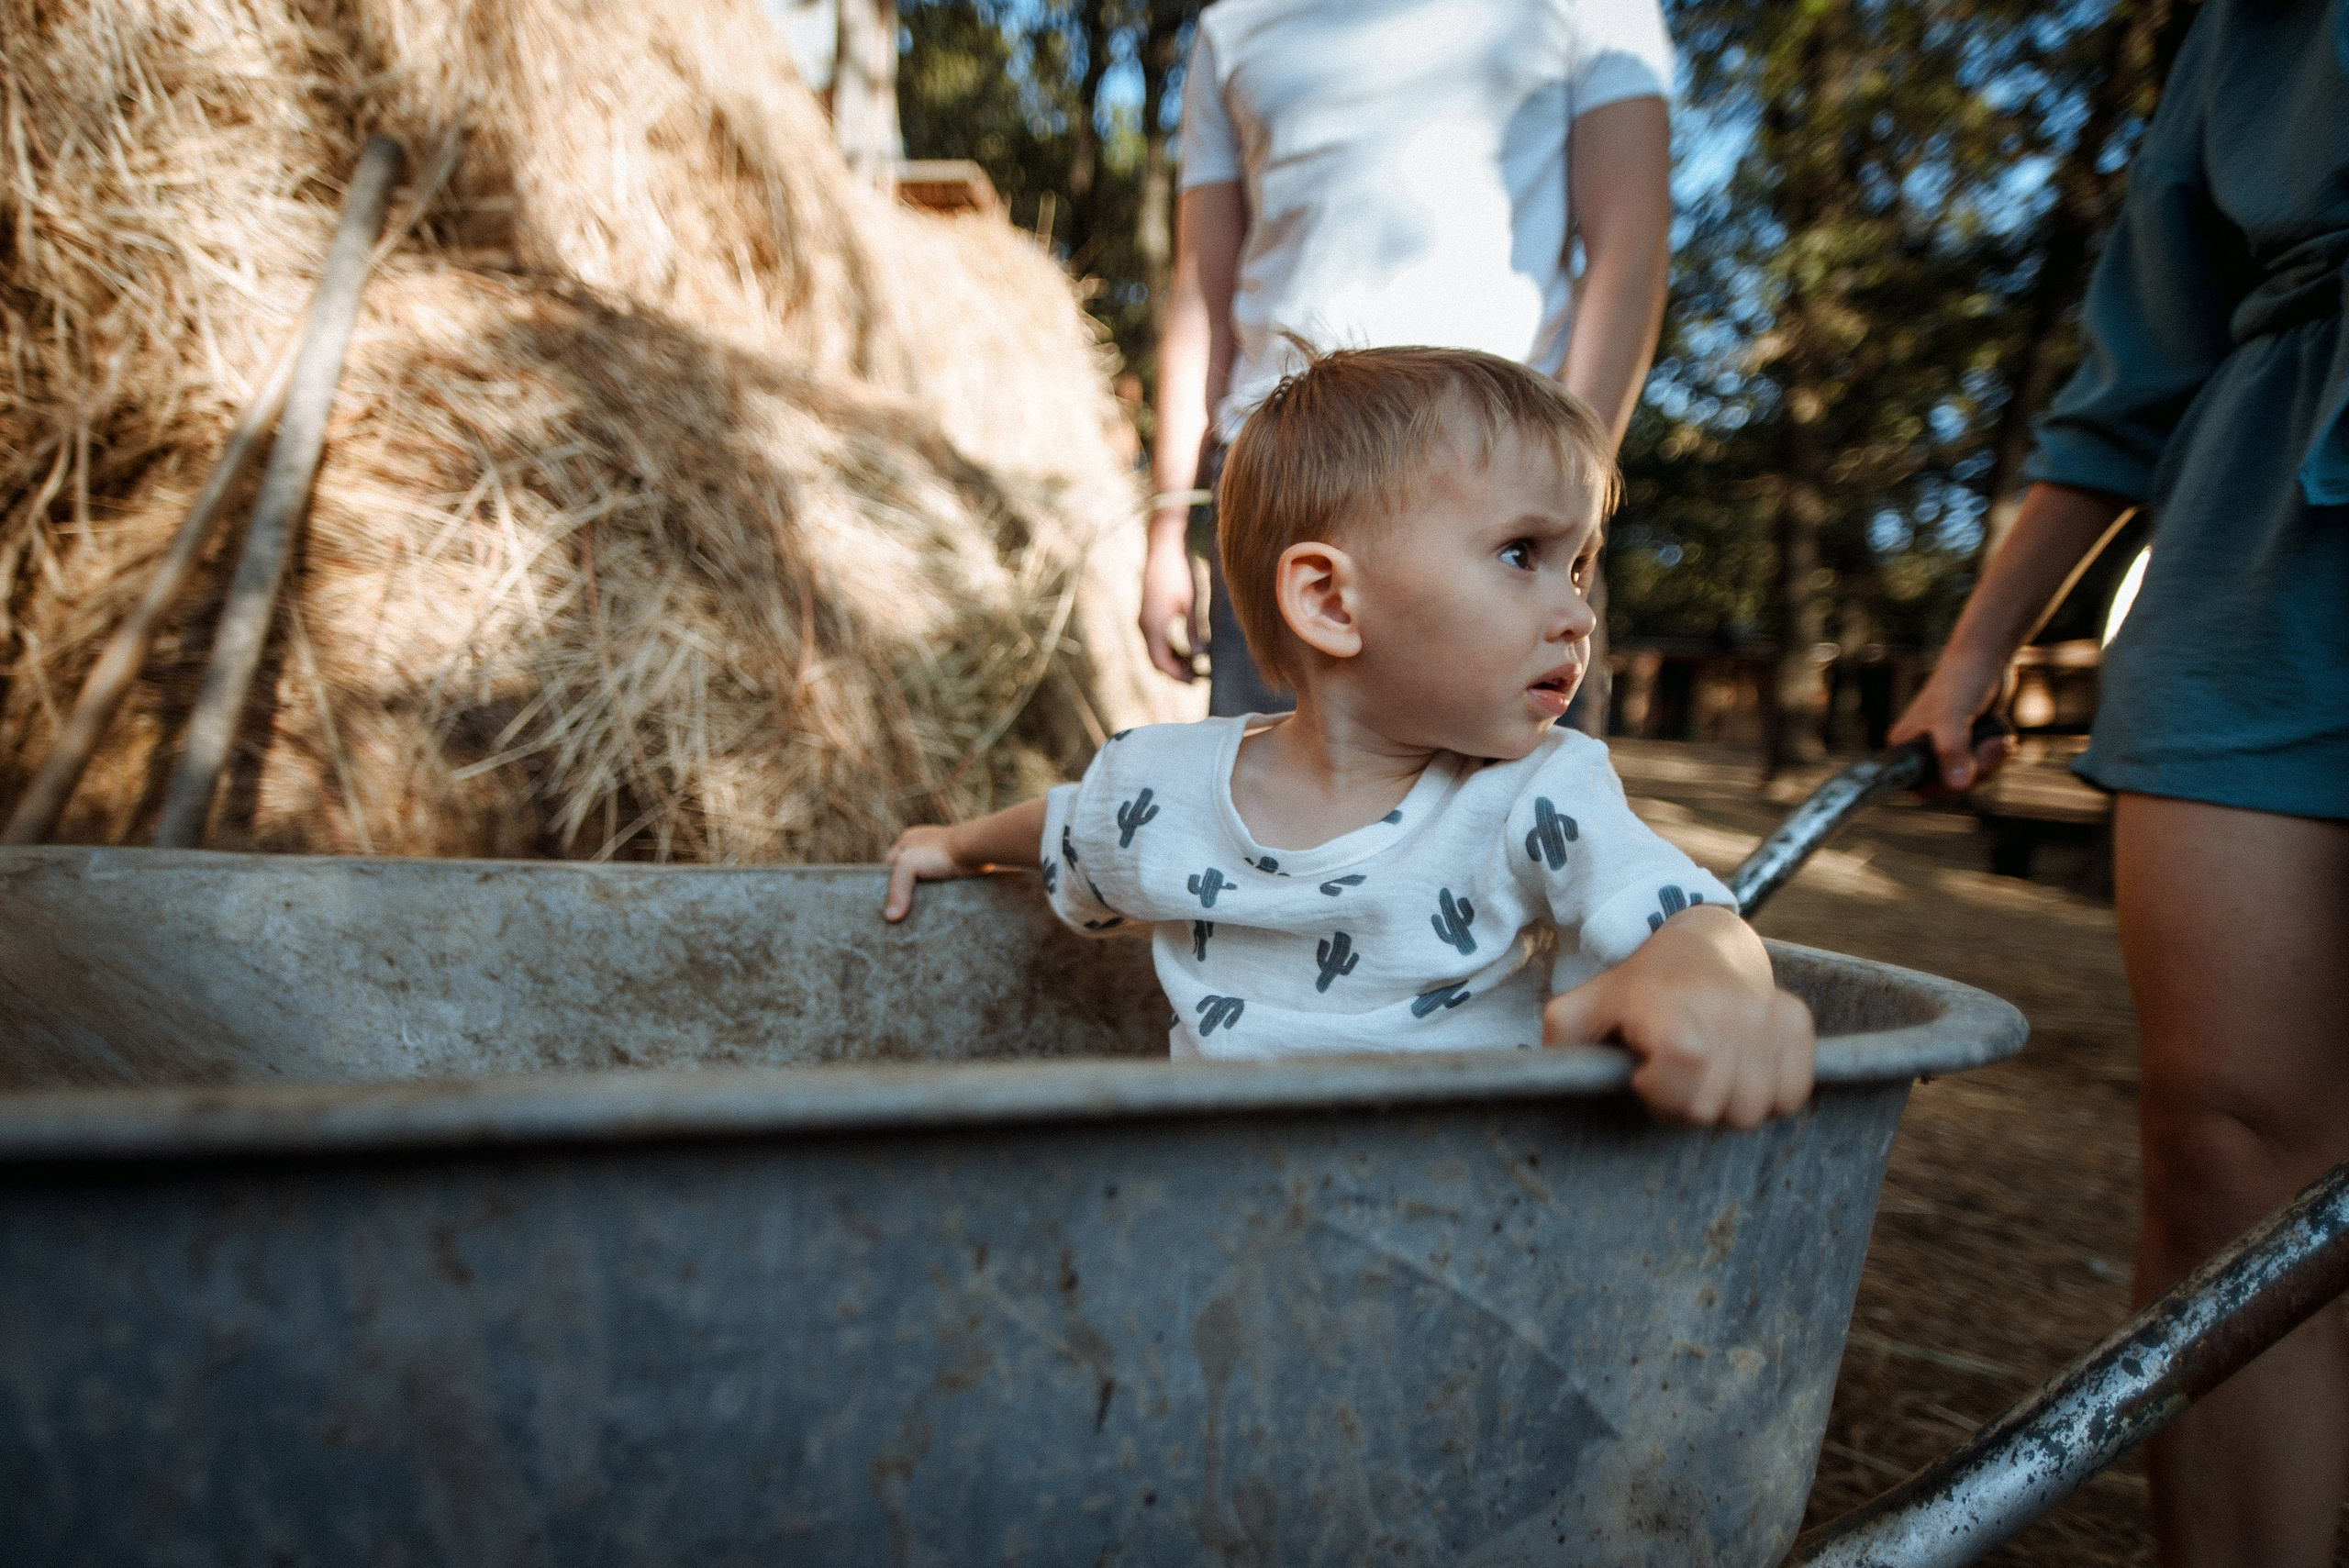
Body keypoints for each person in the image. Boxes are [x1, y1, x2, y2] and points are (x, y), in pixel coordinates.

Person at [886, 347, 1814, 1128]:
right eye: (1520, 554)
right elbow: (1067, 825)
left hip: (1461, 1215)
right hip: (1215, 1212)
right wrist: (954, 844)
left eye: (1578, 565)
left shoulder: (1534, 792)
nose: (1577, 611)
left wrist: (1702, 973)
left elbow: (1686, 913)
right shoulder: (1157, 784)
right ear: (1330, 600)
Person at [1891, 2, 2349, 1562]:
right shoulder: (2246, 30)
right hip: (2266, 546)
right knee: (2227, 1146)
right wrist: (1975, 651)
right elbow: (2143, 356)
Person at [1139, 0, 1675, 725]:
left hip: (1500, 480)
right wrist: (1169, 529)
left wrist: (1565, 499)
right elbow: (1201, 293)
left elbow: (1630, 249)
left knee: (1524, 814)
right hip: (1282, 483)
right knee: (1265, 808)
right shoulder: (1231, 24)